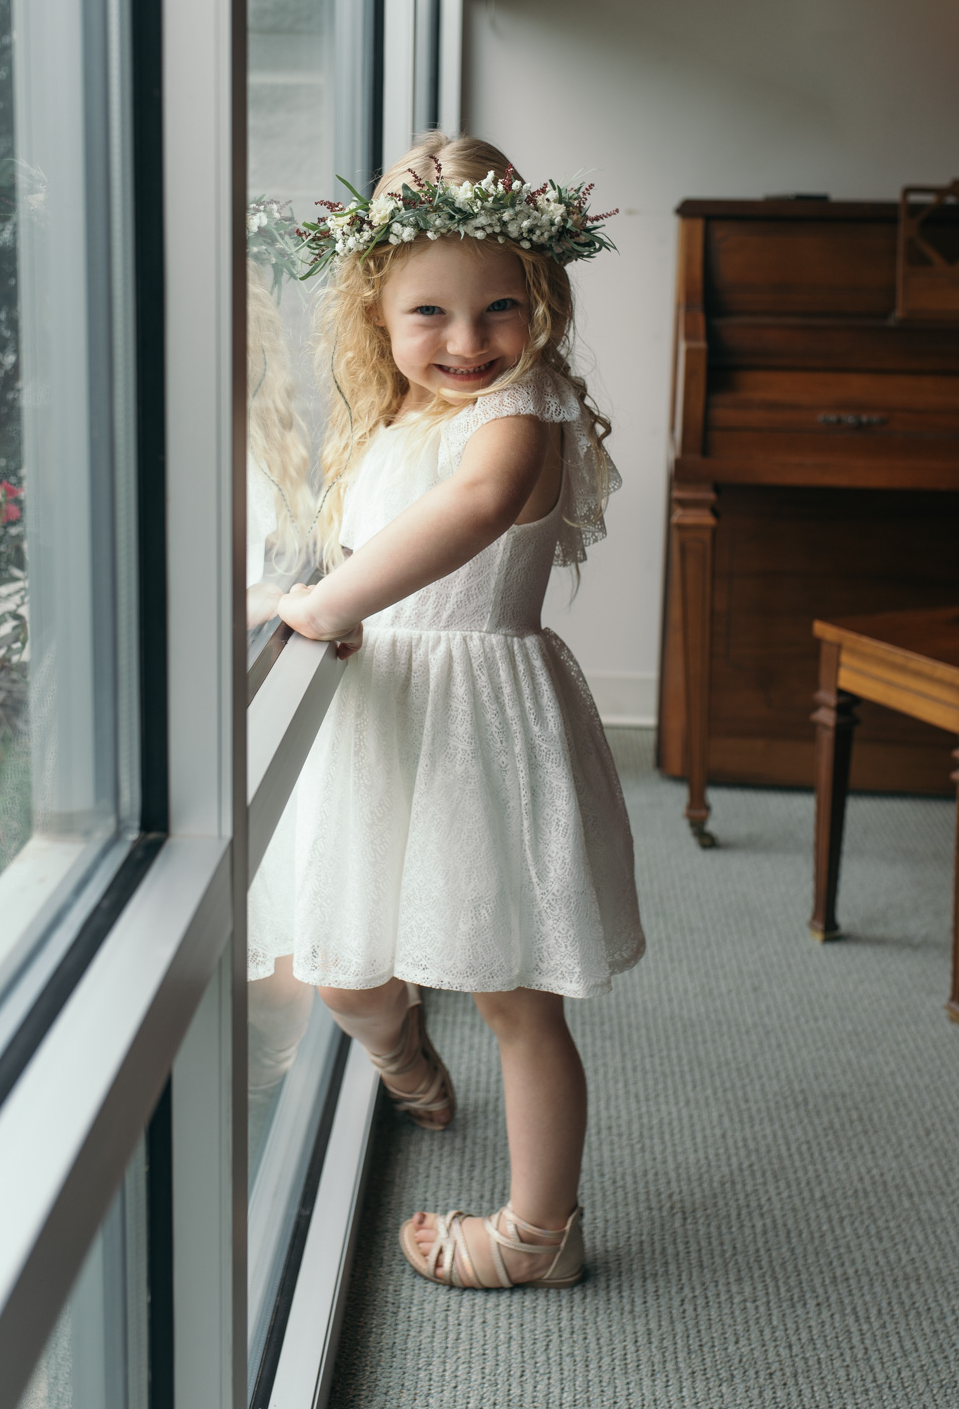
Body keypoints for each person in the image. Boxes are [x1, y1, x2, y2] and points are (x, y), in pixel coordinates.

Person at [249, 132, 645, 1290]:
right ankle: (403, 1053)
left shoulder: (524, 409)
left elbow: (472, 515)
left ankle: (539, 1232)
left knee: (513, 994)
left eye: (500, 308)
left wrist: (323, 603)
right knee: (341, 960)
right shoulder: (397, 416)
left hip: (479, 725)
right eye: (431, 314)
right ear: (376, 311)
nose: (468, 343)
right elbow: (388, 526)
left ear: (541, 303)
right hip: (385, 720)